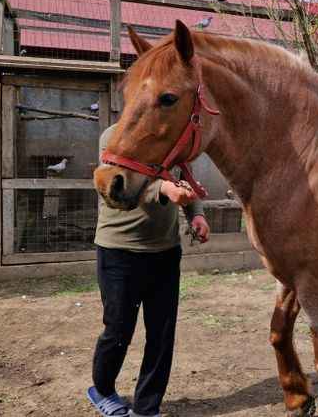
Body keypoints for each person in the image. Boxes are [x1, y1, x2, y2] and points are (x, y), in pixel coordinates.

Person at [87, 124, 211, 417]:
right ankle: (102, 389)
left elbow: (185, 181)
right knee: (118, 330)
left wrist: (197, 214)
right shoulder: (114, 138)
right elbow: (117, 190)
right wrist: (164, 189)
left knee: (162, 332)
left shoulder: (174, 141)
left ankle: (147, 407)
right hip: (119, 251)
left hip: (165, 252)